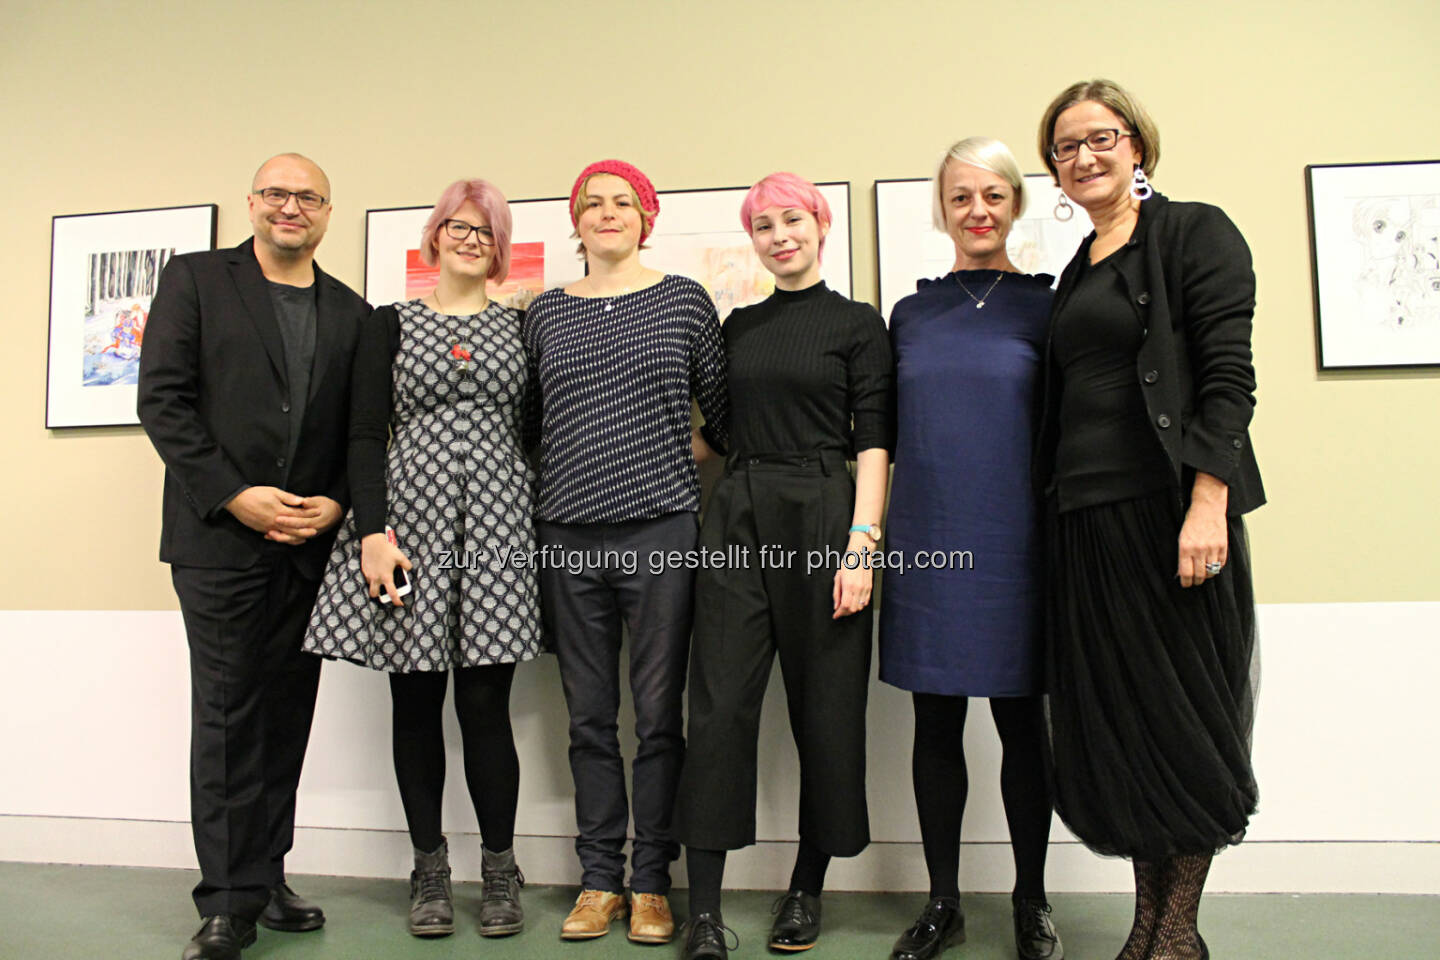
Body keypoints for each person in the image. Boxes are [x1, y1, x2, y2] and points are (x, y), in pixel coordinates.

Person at [1035, 79, 1264, 960]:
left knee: (1184, 722)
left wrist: (1209, 501)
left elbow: (1228, 379)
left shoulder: (1192, 232)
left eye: (1099, 138)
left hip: (1171, 517)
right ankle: (1147, 926)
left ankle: (1176, 934)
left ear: (1137, 143)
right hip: (1081, 522)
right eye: (1065, 147)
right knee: (1124, 728)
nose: (1083, 157)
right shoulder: (1079, 267)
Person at [137, 153, 369, 960]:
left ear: (328, 213)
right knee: (231, 717)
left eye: (308, 196)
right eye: (277, 193)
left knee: (285, 717)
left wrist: (337, 502)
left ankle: (266, 875)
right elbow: (161, 400)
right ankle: (226, 900)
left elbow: (358, 434)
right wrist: (235, 495)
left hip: (308, 546)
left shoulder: (350, 310)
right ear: (253, 203)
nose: (291, 206)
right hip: (219, 542)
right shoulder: (197, 279)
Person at [302, 179, 540, 938]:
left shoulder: (521, 328)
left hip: (500, 530)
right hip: (407, 528)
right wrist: (372, 531)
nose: (469, 239)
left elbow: (533, 433)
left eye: (484, 231)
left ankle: (500, 871)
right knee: (414, 704)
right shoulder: (388, 325)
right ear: (433, 238)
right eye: (456, 227)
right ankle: (429, 869)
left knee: (485, 708)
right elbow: (365, 434)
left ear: (499, 248)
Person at [673, 171, 894, 960]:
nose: (779, 235)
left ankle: (806, 888)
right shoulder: (736, 326)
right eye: (763, 225)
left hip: (825, 510)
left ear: (820, 225)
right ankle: (703, 910)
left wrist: (862, 545)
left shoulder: (859, 324)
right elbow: (716, 436)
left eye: (791, 219)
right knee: (721, 705)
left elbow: (874, 442)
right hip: (737, 509)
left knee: (825, 708)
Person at [521, 159, 728, 945]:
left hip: (662, 533)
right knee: (587, 719)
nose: (607, 213)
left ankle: (651, 882)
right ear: (575, 222)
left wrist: (673, 456)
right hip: (567, 534)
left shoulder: (683, 301)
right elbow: (533, 426)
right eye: (591, 203)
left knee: (656, 716)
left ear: (648, 216)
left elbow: (725, 413)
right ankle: (598, 878)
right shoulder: (544, 313)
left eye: (622, 202)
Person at [880, 138, 1064, 960]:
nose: (978, 211)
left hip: (1018, 541)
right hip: (928, 541)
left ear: (1015, 204)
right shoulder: (910, 313)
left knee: (1025, 728)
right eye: (961, 198)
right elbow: (884, 433)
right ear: (942, 211)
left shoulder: (1050, 306)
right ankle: (944, 902)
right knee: (935, 724)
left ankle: (1031, 901)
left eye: (993, 195)